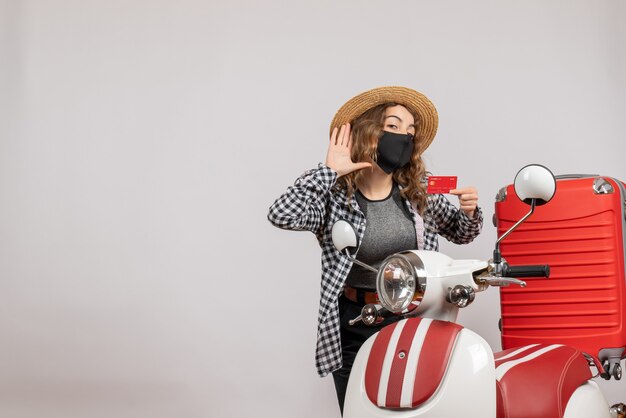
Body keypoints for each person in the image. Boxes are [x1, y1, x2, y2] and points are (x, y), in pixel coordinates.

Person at [267, 86, 483, 415]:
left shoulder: (419, 190)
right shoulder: (335, 197)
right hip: (356, 322)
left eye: (410, 131)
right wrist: (328, 172)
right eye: (393, 126)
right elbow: (282, 214)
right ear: (369, 132)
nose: (403, 137)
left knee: (418, 410)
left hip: (417, 317)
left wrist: (469, 212)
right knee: (361, 410)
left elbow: (461, 233)